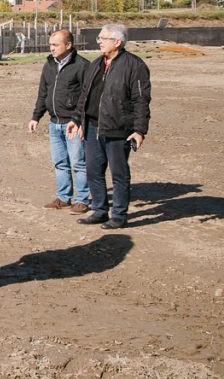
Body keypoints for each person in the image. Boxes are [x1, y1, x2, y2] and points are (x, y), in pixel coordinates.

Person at [67, 24, 151, 230]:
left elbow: (141, 100)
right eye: (99, 38)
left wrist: (139, 130)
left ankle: (119, 216)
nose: (99, 41)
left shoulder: (134, 65)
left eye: (103, 38)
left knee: (119, 174)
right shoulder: (95, 64)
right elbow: (84, 96)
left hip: (119, 129)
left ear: (117, 42)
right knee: (94, 170)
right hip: (93, 126)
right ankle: (100, 210)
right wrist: (77, 119)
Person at [28, 30, 91, 214]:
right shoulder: (49, 65)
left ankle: (82, 200)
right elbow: (43, 93)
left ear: (69, 45)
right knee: (60, 162)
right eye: (50, 45)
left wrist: (78, 121)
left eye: (55, 45)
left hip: (73, 123)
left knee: (78, 163)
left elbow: (86, 97)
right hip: (54, 123)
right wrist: (35, 117)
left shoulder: (82, 66)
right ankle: (64, 197)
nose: (51, 48)